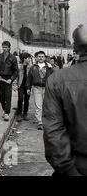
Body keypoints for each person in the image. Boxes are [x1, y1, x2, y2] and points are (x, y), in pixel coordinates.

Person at [43, 24, 87, 176]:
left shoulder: (58, 80)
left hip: (76, 167)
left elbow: (53, 132)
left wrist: (69, 170)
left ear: (74, 48)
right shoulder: (58, 79)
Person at [26, 51, 54, 130]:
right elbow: (29, 78)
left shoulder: (49, 67)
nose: (41, 58)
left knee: (46, 105)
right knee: (38, 105)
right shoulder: (33, 67)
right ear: (36, 58)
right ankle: (40, 122)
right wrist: (28, 88)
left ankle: (46, 121)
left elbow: (54, 76)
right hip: (36, 88)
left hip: (46, 88)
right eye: (39, 56)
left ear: (45, 58)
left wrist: (51, 67)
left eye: (42, 56)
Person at [0, 41, 19, 121]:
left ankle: (7, 113)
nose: (4, 49)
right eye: (3, 47)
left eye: (6, 47)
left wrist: (11, 79)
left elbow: (16, 71)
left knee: (8, 96)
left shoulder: (13, 58)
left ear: (9, 48)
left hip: (8, 79)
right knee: (1, 96)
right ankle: (4, 109)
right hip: (0, 78)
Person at [16, 53, 32, 122]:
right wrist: (14, 85)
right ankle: (19, 114)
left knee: (26, 100)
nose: (30, 59)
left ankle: (25, 114)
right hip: (20, 85)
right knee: (20, 98)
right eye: (28, 58)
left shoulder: (31, 67)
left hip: (28, 86)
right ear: (24, 59)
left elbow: (32, 77)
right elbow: (16, 76)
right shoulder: (19, 67)